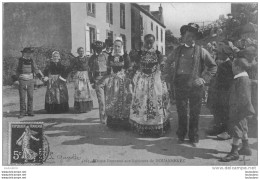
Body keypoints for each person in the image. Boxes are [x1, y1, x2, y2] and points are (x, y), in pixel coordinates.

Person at [164, 23, 217, 146]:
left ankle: (193, 136)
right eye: (188, 36)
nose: (191, 39)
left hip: (195, 86)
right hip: (180, 84)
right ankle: (181, 135)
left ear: (196, 38)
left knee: (194, 112)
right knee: (181, 111)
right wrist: (167, 75)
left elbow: (213, 66)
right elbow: (167, 63)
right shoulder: (177, 50)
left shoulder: (201, 51)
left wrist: (203, 79)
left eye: (193, 36)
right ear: (183, 36)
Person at [130, 34, 170, 137]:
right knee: (142, 102)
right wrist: (131, 78)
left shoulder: (158, 54)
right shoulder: (139, 53)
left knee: (155, 102)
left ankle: (156, 127)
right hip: (142, 81)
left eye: (150, 42)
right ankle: (142, 126)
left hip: (154, 81)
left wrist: (162, 77)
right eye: (146, 42)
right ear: (144, 41)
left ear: (153, 42)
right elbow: (134, 66)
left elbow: (163, 66)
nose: (148, 44)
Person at [220, 57, 255, 162]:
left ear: (238, 67)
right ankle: (246, 147)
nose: (232, 69)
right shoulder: (242, 78)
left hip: (239, 110)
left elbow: (244, 98)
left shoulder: (241, 80)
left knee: (237, 129)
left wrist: (237, 110)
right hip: (242, 109)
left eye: (233, 67)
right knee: (243, 127)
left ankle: (234, 152)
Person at [97, 37, 132, 129]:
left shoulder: (125, 56)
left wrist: (127, 78)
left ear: (122, 47)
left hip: (123, 81)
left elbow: (129, 69)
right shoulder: (110, 56)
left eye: (118, 46)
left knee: (124, 100)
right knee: (112, 100)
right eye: (115, 46)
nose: (116, 48)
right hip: (112, 82)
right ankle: (113, 123)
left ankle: (124, 123)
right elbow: (108, 70)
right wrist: (104, 79)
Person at [206, 42, 235, 140]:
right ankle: (219, 128)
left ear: (225, 54)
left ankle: (227, 131)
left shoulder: (229, 65)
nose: (218, 55)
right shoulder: (222, 63)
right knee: (218, 110)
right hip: (218, 92)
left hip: (225, 92)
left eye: (219, 53)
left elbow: (229, 81)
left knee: (225, 111)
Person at [12, 47, 43, 118]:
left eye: (30, 53)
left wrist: (41, 78)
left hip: (31, 81)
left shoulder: (32, 60)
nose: (28, 55)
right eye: (27, 53)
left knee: (30, 96)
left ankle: (30, 111)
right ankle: (22, 112)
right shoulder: (19, 61)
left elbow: (36, 69)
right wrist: (15, 80)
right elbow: (14, 70)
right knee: (22, 97)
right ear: (23, 53)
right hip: (22, 80)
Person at [88, 41, 109, 124]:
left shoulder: (106, 56)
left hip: (106, 78)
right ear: (94, 49)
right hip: (97, 79)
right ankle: (102, 119)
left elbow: (110, 67)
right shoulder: (92, 58)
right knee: (101, 101)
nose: (98, 50)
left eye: (100, 48)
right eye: (97, 49)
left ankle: (109, 117)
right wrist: (92, 81)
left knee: (108, 99)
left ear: (102, 48)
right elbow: (89, 71)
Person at [71, 47, 93, 113]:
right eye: (80, 51)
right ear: (78, 52)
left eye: (82, 51)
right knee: (79, 90)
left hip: (85, 75)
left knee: (86, 91)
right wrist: (74, 74)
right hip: (78, 75)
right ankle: (79, 107)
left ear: (84, 52)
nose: (81, 52)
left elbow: (90, 67)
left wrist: (90, 76)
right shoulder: (75, 59)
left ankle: (86, 107)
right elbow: (72, 67)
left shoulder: (87, 58)